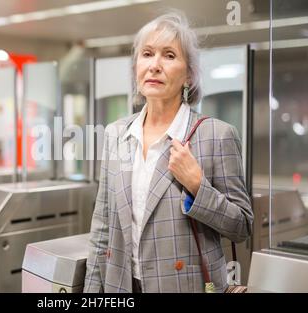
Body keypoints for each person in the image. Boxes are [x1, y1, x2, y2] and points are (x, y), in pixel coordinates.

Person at [83, 10, 253, 293]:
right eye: (147, 54)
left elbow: (242, 226)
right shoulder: (116, 134)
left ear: (188, 75)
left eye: (169, 55)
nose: (155, 65)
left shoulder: (216, 135)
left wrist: (198, 187)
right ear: (136, 66)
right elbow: (102, 227)